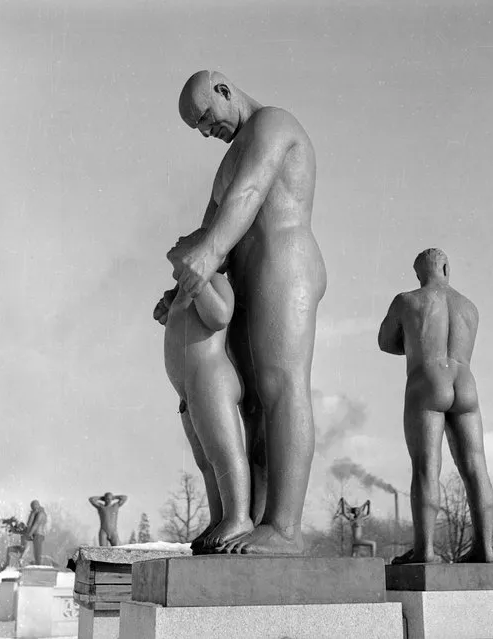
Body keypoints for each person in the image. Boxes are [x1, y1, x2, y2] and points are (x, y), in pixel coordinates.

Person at [155, 70, 326, 555]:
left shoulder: (272, 124)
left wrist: (206, 255)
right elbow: (211, 237)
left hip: (284, 262)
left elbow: (249, 195)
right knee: (250, 403)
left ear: (225, 90)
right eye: (199, 129)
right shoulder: (225, 162)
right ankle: (248, 519)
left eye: (207, 118)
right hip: (247, 277)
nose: (208, 131)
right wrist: (183, 291)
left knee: (281, 386)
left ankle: (285, 527)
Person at [378, 248, 493, 564]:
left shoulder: (407, 300)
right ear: (446, 268)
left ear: (420, 273)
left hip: (427, 380)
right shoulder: (469, 307)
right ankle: (486, 549)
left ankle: (425, 551)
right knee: (476, 466)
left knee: (427, 466)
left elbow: (385, 342)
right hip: (466, 383)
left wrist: (415, 341)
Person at [160, 235, 253, 552]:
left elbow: (220, 316)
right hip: (190, 388)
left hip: (211, 380)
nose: (178, 239)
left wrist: (199, 286)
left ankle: (238, 516)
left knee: (223, 451)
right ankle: (220, 517)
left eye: (186, 239)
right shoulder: (184, 290)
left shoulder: (214, 279)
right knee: (204, 459)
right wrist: (170, 306)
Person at [25, 500, 47, 565]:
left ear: (36, 505)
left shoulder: (41, 514)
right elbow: (29, 524)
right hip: (38, 535)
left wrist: (29, 534)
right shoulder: (38, 513)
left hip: (38, 534)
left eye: (33, 506)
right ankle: (38, 566)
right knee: (36, 553)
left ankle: (39, 568)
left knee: (37, 553)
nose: (32, 508)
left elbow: (36, 524)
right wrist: (32, 514)